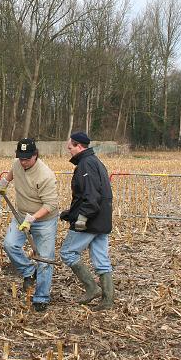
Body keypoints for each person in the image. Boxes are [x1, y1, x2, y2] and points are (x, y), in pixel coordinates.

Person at [0, 138, 59, 312]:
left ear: (35, 155)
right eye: (20, 158)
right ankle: (29, 271)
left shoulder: (45, 175)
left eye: (27, 159)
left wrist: (32, 219)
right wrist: (5, 182)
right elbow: (13, 171)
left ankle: (41, 297)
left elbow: (50, 204)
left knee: (45, 259)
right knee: (10, 244)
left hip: (44, 221)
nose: (23, 162)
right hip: (21, 215)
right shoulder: (18, 164)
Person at [59, 131, 114, 311]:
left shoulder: (85, 164)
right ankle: (108, 300)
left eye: (70, 148)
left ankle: (92, 288)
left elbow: (91, 195)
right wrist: (70, 213)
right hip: (102, 220)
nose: (69, 151)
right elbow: (96, 193)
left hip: (90, 221)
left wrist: (82, 217)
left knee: (68, 253)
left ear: (79, 146)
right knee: (101, 260)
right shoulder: (95, 162)